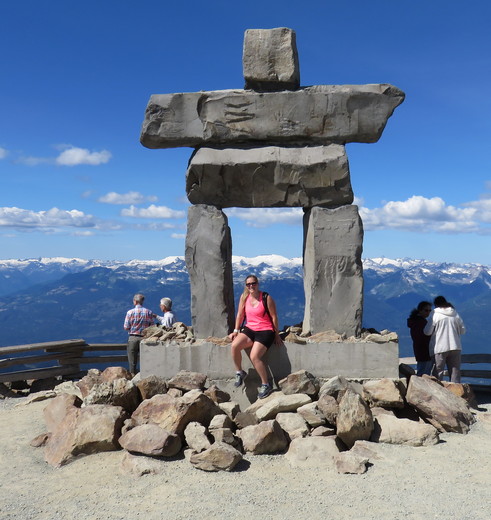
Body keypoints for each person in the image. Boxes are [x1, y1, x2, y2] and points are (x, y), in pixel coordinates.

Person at [228, 274, 282, 399]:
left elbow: (274, 317)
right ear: (246, 286)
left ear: (257, 284)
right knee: (235, 345)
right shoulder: (244, 297)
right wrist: (236, 330)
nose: (251, 286)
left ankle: (266, 384)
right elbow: (240, 315)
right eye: (248, 284)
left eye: (253, 283)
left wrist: (277, 335)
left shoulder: (266, 297)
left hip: (266, 331)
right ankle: (240, 372)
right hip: (250, 329)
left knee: (254, 356)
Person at [424, 295, 466, 383]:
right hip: (455, 346)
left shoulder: (435, 314)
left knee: (438, 372)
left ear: (436, 304)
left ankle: (437, 391)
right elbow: (463, 330)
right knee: (455, 372)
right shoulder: (455, 314)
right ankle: (456, 393)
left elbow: (427, 332)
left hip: (440, 347)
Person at [123, 293, 154, 375]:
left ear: (135, 301)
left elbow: (126, 327)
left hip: (133, 337)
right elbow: (152, 327)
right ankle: (145, 375)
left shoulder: (130, 312)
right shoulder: (149, 312)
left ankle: (132, 375)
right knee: (145, 359)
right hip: (144, 338)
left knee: (132, 360)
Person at [407, 301, 433, 376]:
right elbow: (422, 337)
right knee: (424, 373)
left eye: (429, 310)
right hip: (425, 351)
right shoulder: (421, 322)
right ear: (420, 310)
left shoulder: (415, 321)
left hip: (419, 350)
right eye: (426, 310)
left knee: (422, 370)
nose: (428, 312)